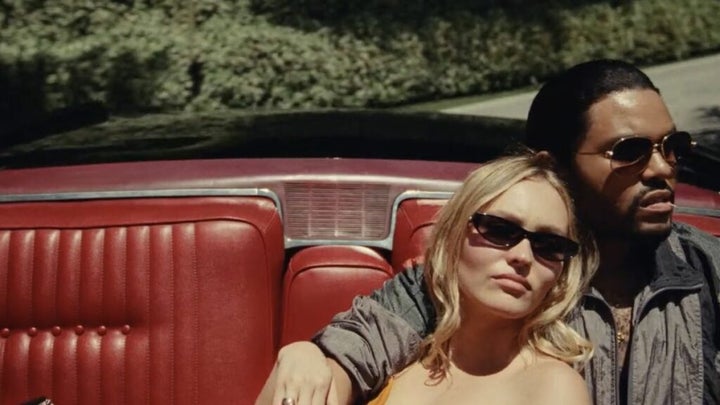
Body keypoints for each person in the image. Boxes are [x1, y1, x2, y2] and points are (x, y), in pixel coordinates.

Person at [263, 59, 720, 405]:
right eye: (630, 151)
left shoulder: (708, 269)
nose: (663, 168)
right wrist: (308, 356)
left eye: (673, 147)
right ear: (554, 168)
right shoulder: (468, 282)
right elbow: (353, 352)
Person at [256, 152, 598, 405]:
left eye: (549, 245)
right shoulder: (392, 358)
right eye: (499, 230)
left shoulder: (552, 387)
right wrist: (304, 355)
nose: (523, 256)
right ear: (452, 236)